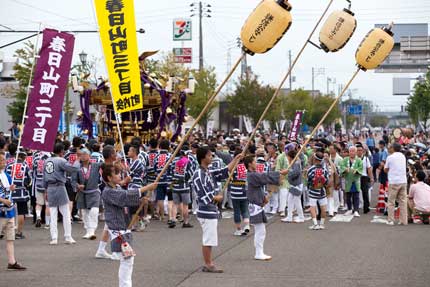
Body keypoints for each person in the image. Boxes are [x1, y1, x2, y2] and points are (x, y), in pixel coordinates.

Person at [101, 163, 157, 287]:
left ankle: (125, 285)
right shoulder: (108, 191)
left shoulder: (117, 188)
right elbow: (125, 197)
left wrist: (140, 201)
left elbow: (127, 200)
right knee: (127, 260)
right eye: (116, 173)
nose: (120, 175)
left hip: (123, 227)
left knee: (127, 260)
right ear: (109, 178)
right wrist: (147, 188)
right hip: (118, 229)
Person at [193, 146, 241, 273]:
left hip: (211, 209)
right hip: (205, 210)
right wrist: (216, 197)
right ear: (203, 158)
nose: (211, 157)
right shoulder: (199, 174)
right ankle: (208, 264)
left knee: (210, 238)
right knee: (208, 238)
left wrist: (235, 159)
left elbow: (224, 171)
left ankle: (209, 263)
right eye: (209, 156)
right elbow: (202, 194)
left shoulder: (208, 171)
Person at [245, 155, 288, 260]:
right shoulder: (251, 175)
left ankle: (259, 252)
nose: (256, 163)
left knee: (261, 230)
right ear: (250, 164)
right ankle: (258, 253)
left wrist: (264, 198)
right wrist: (280, 173)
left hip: (257, 204)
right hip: (255, 206)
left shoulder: (252, 175)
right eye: (254, 161)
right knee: (260, 230)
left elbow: (259, 186)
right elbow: (264, 177)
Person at [43, 142, 79, 245]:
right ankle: (68, 236)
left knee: (53, 214)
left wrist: (45, 190)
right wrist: (77, 160)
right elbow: (73, 169)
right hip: (60, 187)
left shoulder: (47, 161)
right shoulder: (61, 160)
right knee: (66, 213)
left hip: (50, 187)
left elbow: (44, 178)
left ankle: (54, 238)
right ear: (62, 151)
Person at [0, 151, 26, 270]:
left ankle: (12, 261)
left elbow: (7, 190)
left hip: (9, 211)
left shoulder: (6, 175)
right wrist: (3, 200)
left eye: (4, 160)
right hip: (1, 211)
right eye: (1, 161)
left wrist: (10, 188)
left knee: (10, 238)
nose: (3, 163)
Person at [74, 148, 103, 240]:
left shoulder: (96, 165)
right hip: (83, 192)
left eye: (85, 154)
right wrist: (78, 185)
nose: (83, 156)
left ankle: (92, 230)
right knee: (85, 212)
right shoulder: (77, 167)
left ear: (90, 156)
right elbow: (73, 180)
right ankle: (87, 231)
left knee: (94, 211)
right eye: (82, 154)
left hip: (94, 191)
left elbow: (107, 165)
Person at [6, 151, 31, 239]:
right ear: (22, 156)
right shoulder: (25, 166)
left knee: (7, 211)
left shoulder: (9, 166)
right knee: (21, 212)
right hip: (21, 192)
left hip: (10, 192)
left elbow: (5, 178)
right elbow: (29, 180)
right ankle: (19, 233)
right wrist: (26, 185)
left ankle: (3, 231)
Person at [384, 143, 408, 225]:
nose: (389, 149)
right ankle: (403, 220)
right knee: (403, 201)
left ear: (393, 148)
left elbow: (386, 169)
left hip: (394, 181)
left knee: (391, 201)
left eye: (390, 147)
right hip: (403, 180)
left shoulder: (390, 157)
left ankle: (391, 220)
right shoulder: (403, 156)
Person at [228, 150, 250, 235]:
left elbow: (229, 175)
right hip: (244, 190)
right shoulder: (246, 167)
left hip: (235, 191)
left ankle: (238, 229)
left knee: (236, 210)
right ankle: (247, 225)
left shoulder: (233, 167)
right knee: (245, 209)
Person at [171, 147, 194, 228]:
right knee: (185, 205)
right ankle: (186, 222)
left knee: (175, 204)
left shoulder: (174, 161)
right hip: (184, 185)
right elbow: (190, 173)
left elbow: (171, 172)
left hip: (175, 185)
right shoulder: (188, 162)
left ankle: (173, 219)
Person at [307, 151, 330, 230]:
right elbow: (327, 181)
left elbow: (309, 180)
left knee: (312, 207)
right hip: (322, 191)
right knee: (323, 208)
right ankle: (322, 224)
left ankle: (315, 224)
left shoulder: (311, 169)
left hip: (313, 190)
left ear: (315, 159)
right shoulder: (324, 169)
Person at [339, 146, 363, 217]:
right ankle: (349, 209)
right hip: (348, 180)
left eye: (353, 151)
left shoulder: (359, 160)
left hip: (356, 180)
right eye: (350, 151)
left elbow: (361, 168)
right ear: (349, 152)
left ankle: (356, 210)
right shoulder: (345, 159)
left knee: (356, 196)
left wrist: (357, 170)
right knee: (348, 196)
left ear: (356, 152)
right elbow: (341, 166)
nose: (352, 152)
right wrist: (345, 169)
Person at [282, 150, 304, 223]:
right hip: (293, 184)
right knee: (290, 201)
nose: (287, 158)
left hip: (297, 185)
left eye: (287, 156)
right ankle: (289, 217)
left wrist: (288, 173)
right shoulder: (293, 163)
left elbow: (296, 173)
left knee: (297, 201)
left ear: (290, 157)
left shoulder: (296, 163)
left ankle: (301, 217)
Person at [153, 139, 172, 222]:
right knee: (170, 199)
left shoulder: (157, 156)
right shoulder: (170, 156)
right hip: (168, 180)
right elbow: (172, 168)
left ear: (160, 146)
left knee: (160, 198)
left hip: (159, 179)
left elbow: (154, 168)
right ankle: (170, 216)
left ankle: (162, 216)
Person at [356, 144, 374, 214]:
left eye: (360, 150)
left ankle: (366, 207)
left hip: (364, 177)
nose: (359, 152)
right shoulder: (354, 159)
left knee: (365, 193)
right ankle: (356, 208)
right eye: (358, 150)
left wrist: (371, 177)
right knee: (356, 193)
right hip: (356, 177)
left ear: (363, 151)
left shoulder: (366, 159)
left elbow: (369, 169)